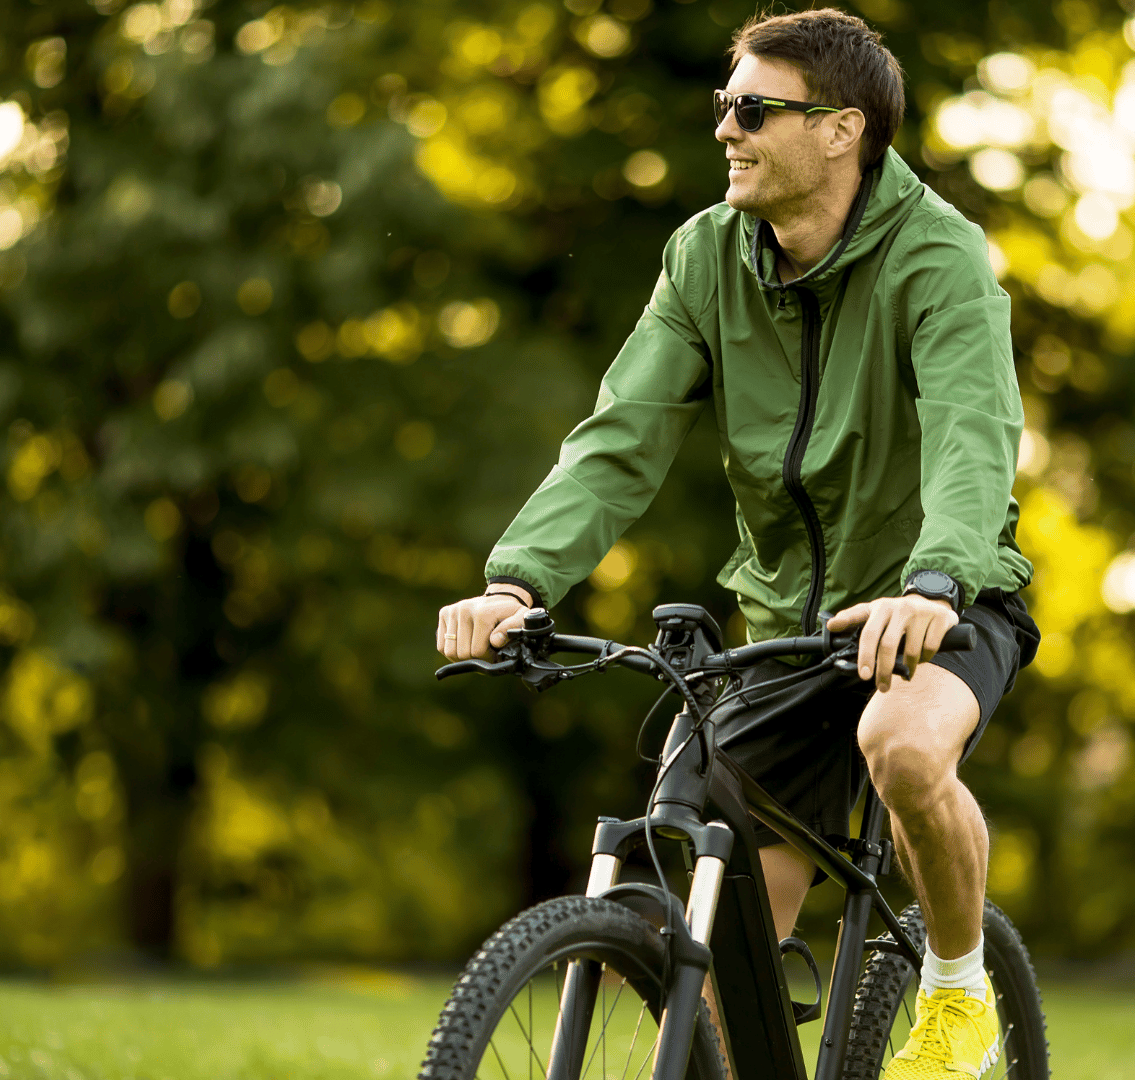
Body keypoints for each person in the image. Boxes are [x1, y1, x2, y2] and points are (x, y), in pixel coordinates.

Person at [436, 9, 1039, 1076]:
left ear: (843, 129)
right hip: (784, 628)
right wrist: (517, 579)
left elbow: (970, 438)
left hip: (940, 600)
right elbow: (620, 437)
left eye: (754, 110)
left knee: (901, 747)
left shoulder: (937, 259)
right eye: (724, 105)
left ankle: (955, 989)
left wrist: (936, 581)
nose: (725, 129)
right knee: (714, 939)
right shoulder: (705, 258)